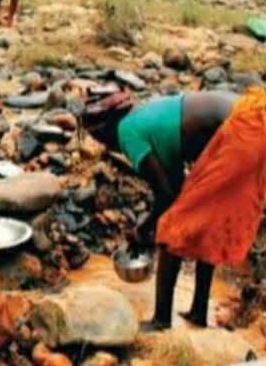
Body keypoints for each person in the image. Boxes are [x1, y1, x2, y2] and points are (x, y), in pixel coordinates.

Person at [81, 88, 266, 332]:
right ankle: (198, 312)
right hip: (253, 117)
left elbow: (166, 194)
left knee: (171, 230)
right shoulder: (143, 115)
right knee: (206, 223)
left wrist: (145, 228)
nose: (100, 144)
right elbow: (175, 188)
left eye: (97, 138)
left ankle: (161, 320)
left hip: (243, 133)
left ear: (105, 132)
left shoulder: (127, 134)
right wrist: (149, 224)